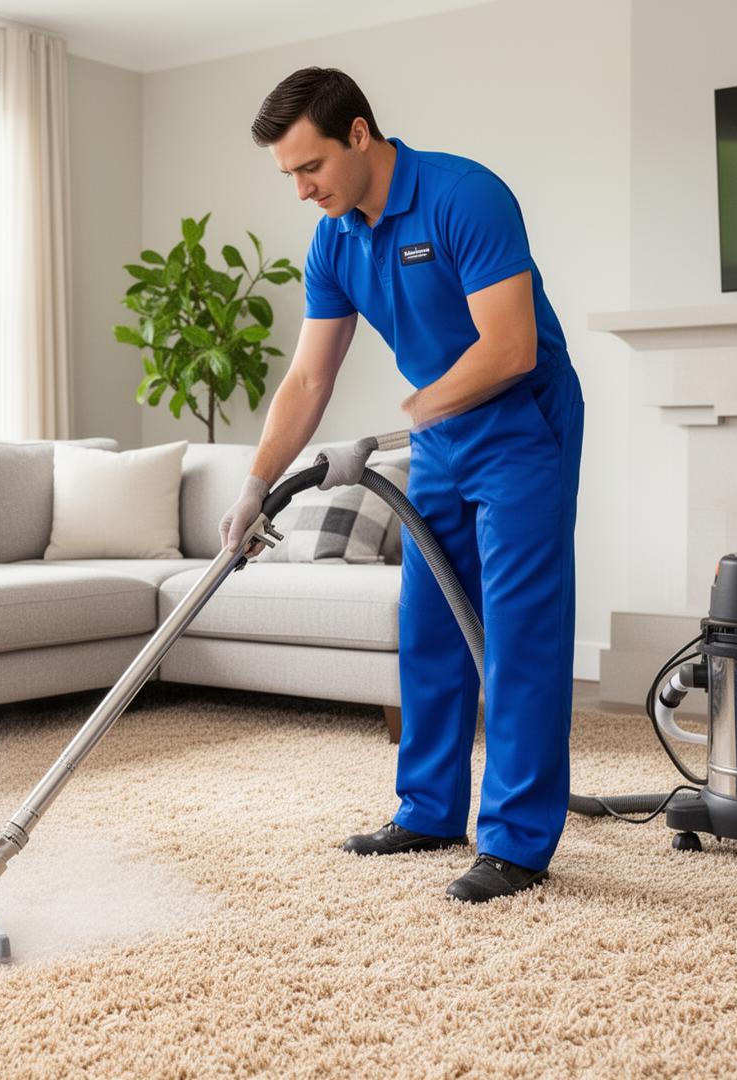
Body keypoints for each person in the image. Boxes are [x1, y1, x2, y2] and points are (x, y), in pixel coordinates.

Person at [219, 68, 584, 903]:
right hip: (441, 439)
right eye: (289, 177)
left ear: (358, 135)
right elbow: (308, 380)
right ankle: (427, 809)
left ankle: (519, 843)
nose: (303, 190)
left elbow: (511, 347)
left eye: (309, 168)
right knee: (428, 623)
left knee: (520, 628)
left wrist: (411, 413)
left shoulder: (466, 196)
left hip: (522, 425)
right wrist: (254, 484)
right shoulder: (335, 239)